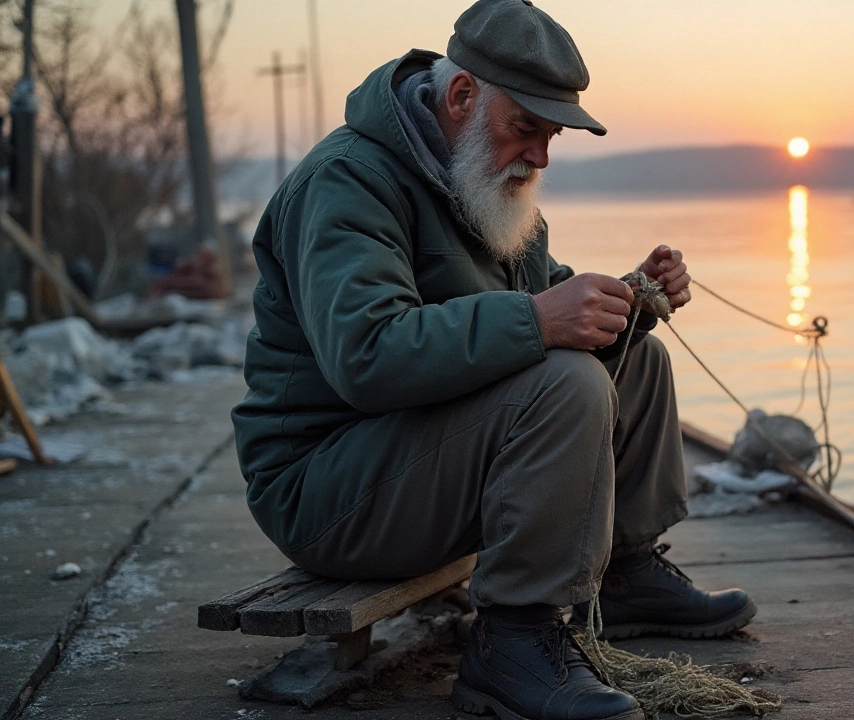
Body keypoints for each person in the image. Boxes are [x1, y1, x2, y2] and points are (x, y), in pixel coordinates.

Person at [231, 1, 755, 718]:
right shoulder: (346, 182)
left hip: (409, 457)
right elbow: (367, 355)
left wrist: (629, 299)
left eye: (553, 135)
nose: (541, 155)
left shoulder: (488, 183)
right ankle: (512, 642)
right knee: (566, 383)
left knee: (638, 363)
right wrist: (542, 319)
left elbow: (549, 307)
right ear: (461, 97)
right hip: (325, 492)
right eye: (527, 128)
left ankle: (625, 571)